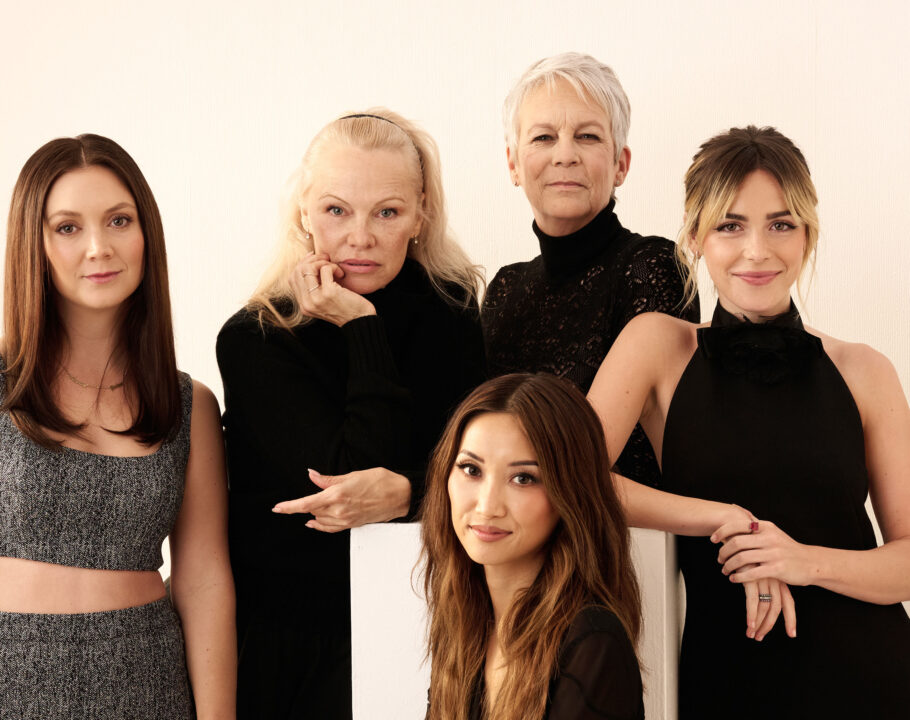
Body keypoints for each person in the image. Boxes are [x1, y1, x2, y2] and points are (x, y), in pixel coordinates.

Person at [587, 125, 910, 718]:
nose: (757, 250)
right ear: (694, 238)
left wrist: (798, 561)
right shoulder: (659, 345)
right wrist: (727, 520)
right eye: (730, 225)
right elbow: (571, 476)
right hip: (728, 680)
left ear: (807, 236)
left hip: (871, 681)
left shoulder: (865, 369)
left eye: (781, 224)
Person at [216, 109, 485, 718]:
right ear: (303, 215)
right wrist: (363, 327)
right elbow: (350, 476)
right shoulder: (257, 336)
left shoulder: (455, 317)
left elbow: (479, 473)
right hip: (289, 643)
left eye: (386, 212)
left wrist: (411, 493)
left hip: (427, 621)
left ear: (420, 215)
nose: (360, 237)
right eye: (336, 210)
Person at [0, 134, 236, 718]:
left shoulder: (190, 406)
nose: (99, 247)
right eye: (67, 227)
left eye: (119, 220)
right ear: (33, 244)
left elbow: (203, 580)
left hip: (145, 681)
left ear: (146, 232)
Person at [481, 52, 699, 488]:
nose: (565, 155)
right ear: (513, 165)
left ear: (621, 164)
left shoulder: (652, 265)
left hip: (625, 537)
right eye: (543, 137)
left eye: (587, 136)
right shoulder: (505, 286)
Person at [422, 373, 644, 720]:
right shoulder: (463, 623)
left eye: (523, 478)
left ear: (569, 494)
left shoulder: (593, 643)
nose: (487, 506)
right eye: (471, 469)